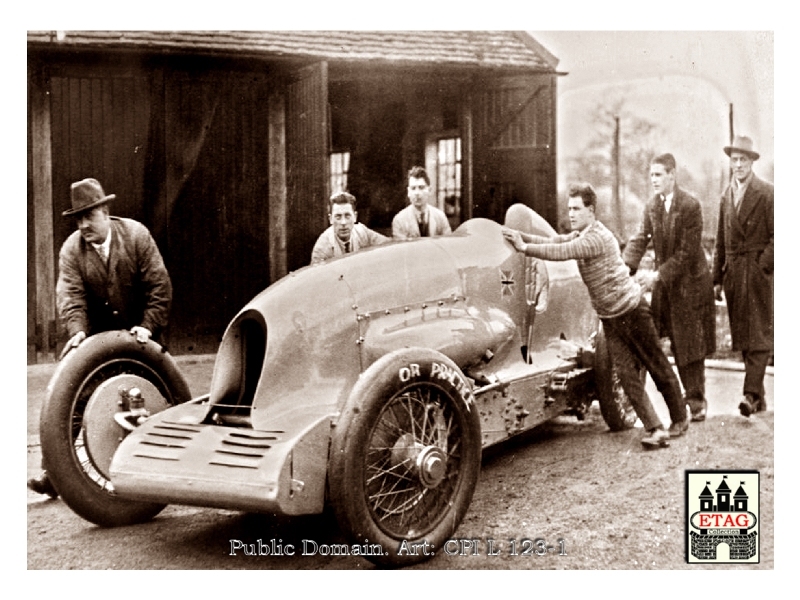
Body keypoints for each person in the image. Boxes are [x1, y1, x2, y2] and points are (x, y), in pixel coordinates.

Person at [502, 183, 687, 449]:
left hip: (633, 312)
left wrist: (524, 248)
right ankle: (656, 428)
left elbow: (562, 252)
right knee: (625, 375)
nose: (571, 214)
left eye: (577, 209)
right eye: (569, 209)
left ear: (591, 211)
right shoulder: (580, 233)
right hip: (611, 319)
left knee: (657, 365)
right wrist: (517, 236)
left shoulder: (596, 238)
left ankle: (680, 418)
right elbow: (555, 240)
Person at [28, 178, 172, 498]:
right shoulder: (72, 250)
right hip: (98, 339)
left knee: (160, 398)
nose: (83, 225)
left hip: (141, 335)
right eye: (78, 219)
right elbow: (71, 297)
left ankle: (170, 468)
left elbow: (159, 287)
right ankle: (53, 472)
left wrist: (148, 326)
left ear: (105, 212)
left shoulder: (136, 236)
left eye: (89, 216)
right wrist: (77, 331)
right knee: (74, 398)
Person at [623, 154, 716, 422]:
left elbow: (687, 253)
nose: (654, 180)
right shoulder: (652, 206)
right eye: (651, 175)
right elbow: (640, 238)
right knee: (665, 338)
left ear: (672, 176)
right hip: (666, 284)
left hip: (691, 285)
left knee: (690, 344)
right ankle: (677, 401)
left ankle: (696, 402)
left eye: (659, 175)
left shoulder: (690, 206)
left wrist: (656, 276)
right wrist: (624, 269)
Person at [712, 135, 773, 417]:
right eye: (734, 160)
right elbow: (720, 241)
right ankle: (759, 399)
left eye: (743, 160)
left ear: (751, 162)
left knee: (758, 334)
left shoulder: (767, 192)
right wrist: (716, 277)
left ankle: (749, 395)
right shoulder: (726, 195)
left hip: (758, 272)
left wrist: (763, 265)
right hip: (735, 273)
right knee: (744, 336)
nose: (738, 165)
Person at [310, 192, 389, 265]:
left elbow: (390, 246)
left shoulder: (362, 233)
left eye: (347, 216)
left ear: (355, 217)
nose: (343, 222)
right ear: (330, 219)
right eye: (338, 217)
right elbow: (317, 277)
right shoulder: (322, 249)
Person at [392, 166, 452, 239]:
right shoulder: (399, 220)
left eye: (421, 187)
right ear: (408, 192)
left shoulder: (440, 217)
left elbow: (448, 244)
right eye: (413, 188)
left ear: (429, 190)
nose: (417, 193)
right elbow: (401, 249)